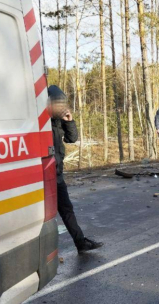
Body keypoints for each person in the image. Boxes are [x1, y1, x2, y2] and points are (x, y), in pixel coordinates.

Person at [48, 85, 103, 254]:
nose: (60, 107)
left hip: (56, 175)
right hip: (41, 177)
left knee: (67, 210)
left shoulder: (58, 120)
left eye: (61, 104)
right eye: (57, 103)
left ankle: (81, 243)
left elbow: (71, 139)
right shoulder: (39, 122)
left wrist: (69, 121)